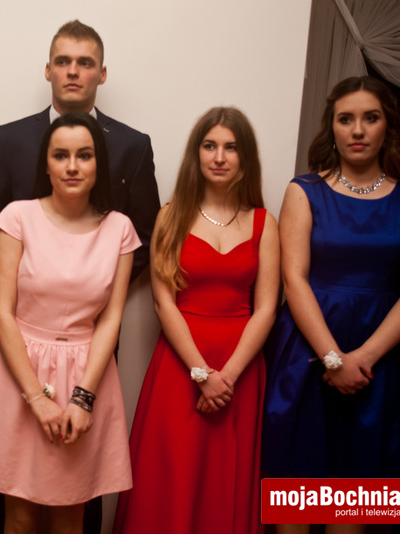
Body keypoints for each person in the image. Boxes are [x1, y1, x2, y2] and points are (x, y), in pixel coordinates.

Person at [0, 19, 159, 532]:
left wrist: (88, 283)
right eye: (63, 61)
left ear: (101, 73)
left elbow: (144, 237)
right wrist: (36, 267)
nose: (73, 71)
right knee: (11, 501)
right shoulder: (11, 141)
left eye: (85, 62)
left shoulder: (132, 146)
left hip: (88, 351)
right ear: (48, 69)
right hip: (20, 348)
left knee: (76, 498)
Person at [262, 76, 400, 534]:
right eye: (346, 119)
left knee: (354, 508)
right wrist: (334, 359)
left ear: (389, 126)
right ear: (331, 127)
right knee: (295, 505)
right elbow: (294, 279)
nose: (357, 130)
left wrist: (363, 359)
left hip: (380, 362)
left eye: (370, 118)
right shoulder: (303, 190)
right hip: (307, 354)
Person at [0, 112, 136, 534]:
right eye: (60, 155)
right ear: (46, 164)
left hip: (86, 373)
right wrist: (36, 398)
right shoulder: (17, 217)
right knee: (18, 516)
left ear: (99, 163)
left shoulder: (120, 228)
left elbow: (111, 318)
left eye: (84, 155)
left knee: (70, 515)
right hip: (19, 370)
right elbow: (2, 312)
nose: (72, 166)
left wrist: (83, 399)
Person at [113, 107, 279, 534]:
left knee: (225, 482)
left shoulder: (265, 223)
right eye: (210, 146)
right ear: (196, 154)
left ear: (245, 157)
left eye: (231, 147)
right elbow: (163, 303)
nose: (219, 157)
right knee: (172, 475)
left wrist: (227, 377)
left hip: (240, 368)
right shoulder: (170, 216)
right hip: (181, 365)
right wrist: (202, 374)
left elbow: (266, 308)